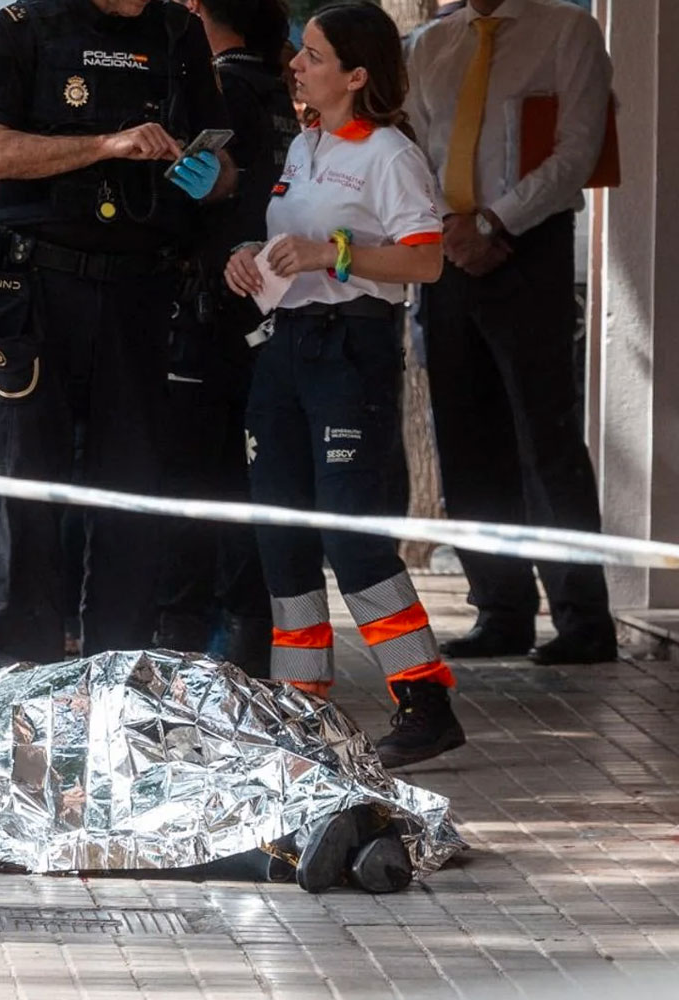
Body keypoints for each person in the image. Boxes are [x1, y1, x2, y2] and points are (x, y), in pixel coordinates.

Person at [224, 0, 462, 769]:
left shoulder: (389, 152)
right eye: (301, 52)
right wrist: (252, 256)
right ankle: (301, 707)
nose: (296, 63)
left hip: (350, 352)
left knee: (353, 538)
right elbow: (296, 243)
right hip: (286, 347)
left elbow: (425, 260)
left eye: (315, 55)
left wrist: (332, 255)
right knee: (281, 534)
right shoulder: (304, 144)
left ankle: (425, 702)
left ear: (357, 76)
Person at [0, 0, 238, 669]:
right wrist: (106, 145)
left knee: (130, 490)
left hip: (139, 293)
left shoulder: (177, 33)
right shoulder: (24, 26)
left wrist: (210, 178)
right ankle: (21, 669)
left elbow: (225, 162)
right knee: (31, 485)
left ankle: (116, 663)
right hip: (40, 289)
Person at [404, 0, 618, 666]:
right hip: (447, 250)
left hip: (530, 247)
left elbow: (578, 149)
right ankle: (501, 610)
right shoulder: (430, 44)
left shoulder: (568, 30)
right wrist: (451, 226)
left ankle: (583, 619)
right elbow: (412, 151)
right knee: (466, 438)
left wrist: (495, 223)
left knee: (544, 437)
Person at [152, 0, 300, 675]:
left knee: (196, 489)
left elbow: (181, 197)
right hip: (267, 318)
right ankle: (243, 645)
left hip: (213, 313)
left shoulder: (218, 90)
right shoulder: (281, 93)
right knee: (248, 482)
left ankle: (196, 659)